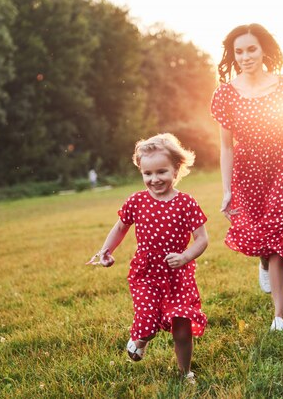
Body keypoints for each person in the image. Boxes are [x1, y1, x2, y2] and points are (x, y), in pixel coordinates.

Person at [211, 23, 283, 332]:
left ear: (263, 50)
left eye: (251, 49)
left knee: (281, 236)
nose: (245, 56)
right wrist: (227, 189)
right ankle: (262, 261)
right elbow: (226, 146)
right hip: (248, 171)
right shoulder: (225, 94)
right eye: (238, 51)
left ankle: (279, 318)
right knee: (263, 239)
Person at [87, 133, 208, 383]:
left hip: (179, 275)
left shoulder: (186, 203)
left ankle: (186, 372)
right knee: (148, 321)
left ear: (176, 169)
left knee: (183, 329)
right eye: (147, 174)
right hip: (147, 274)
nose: (154, 179)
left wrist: (185, 257)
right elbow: (120, 227)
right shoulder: (137, 201)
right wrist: (106, 250)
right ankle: (140, 339)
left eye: (161, 172)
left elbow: (202, 239)